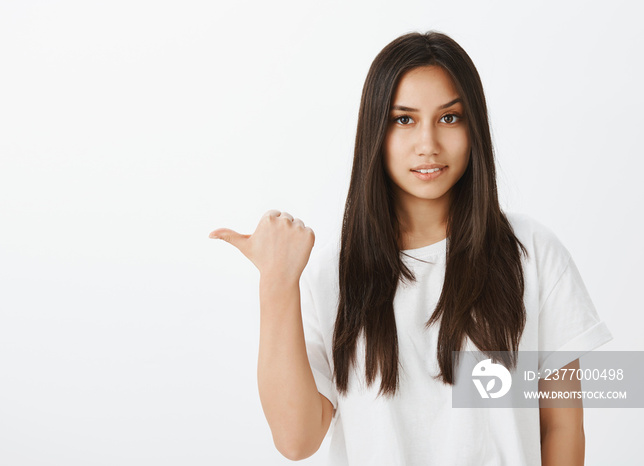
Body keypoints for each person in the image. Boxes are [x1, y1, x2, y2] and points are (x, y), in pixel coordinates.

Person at [208, 31, 613, 465]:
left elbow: (562, 427)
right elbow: (296, 440)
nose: (428, 144)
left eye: (449, 118)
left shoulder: (532, 252)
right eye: (404, 120)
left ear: (474, 126)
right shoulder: (334, 274)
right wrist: (277, 284)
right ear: (375, 133)